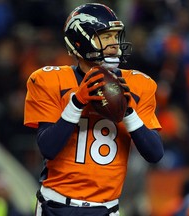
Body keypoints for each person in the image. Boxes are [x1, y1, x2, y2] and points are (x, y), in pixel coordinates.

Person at [23, 3, 164, 216]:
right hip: (56, 206)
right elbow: (48, 148)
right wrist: (77, 102)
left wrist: (128, 111)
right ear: (80, 40)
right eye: (106, 37)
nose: (114, 44)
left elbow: (154, 154)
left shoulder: (137, 85)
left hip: (106, 209)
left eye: (115, 37)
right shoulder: (50, 80)